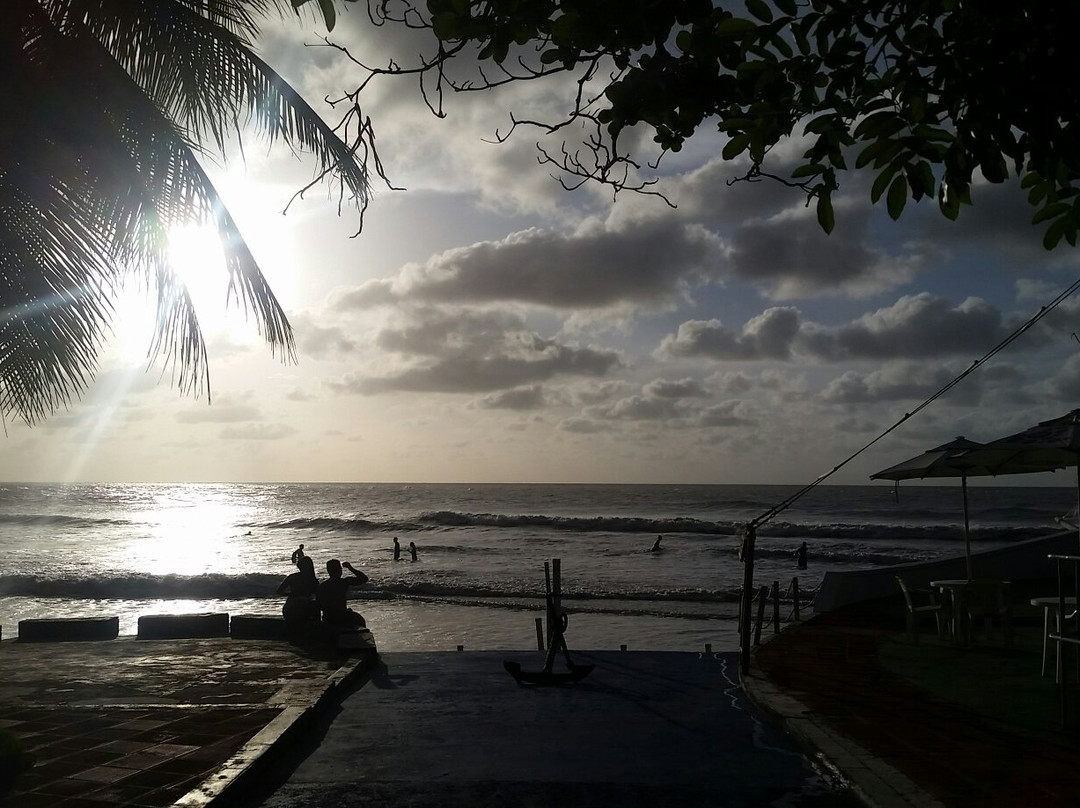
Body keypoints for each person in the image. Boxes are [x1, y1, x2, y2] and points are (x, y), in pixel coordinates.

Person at [317, 558, 369, 629]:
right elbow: (364, 578)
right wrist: (350, 568)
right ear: (339, 570)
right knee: (359, 619)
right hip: (342, 617)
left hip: (328, 618)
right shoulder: (343, 582)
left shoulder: (322, 586)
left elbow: (319, 604)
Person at [278, 555, 319, 631]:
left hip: (289, 608)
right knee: (314, 606)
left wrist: (291, 594)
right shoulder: (313, 580)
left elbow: (279, 591)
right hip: (302, 608)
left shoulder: (292, 577)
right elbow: (318, 596)